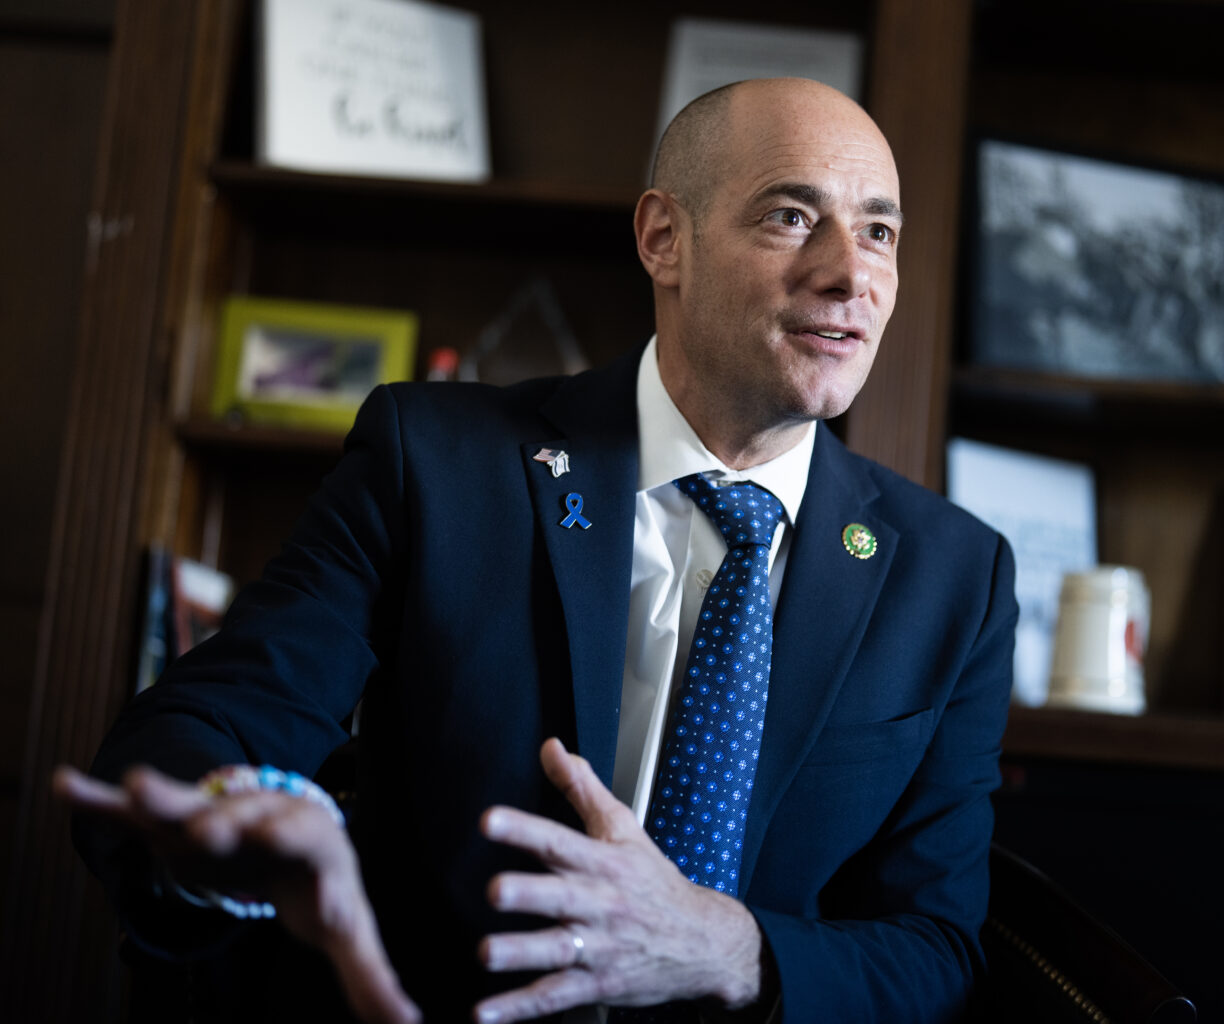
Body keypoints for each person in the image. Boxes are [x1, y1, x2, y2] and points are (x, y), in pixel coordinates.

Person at [58, 77, 1017, 1023]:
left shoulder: (956, 579)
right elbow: (206, 725)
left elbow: (936, 949)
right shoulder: (435, 464)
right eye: (791, 217)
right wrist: (237, 819)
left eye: (879, 231)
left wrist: (725, 949)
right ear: (663, 238)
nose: (850, 274)